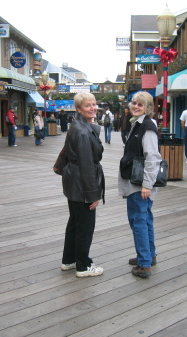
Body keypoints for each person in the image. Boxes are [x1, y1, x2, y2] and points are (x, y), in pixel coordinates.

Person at [60, 92, 105, 278]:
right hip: (82, 183)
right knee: (85, 226)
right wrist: (93, 194)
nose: (93, 108)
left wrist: (59, 167)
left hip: (73, 181)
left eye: (94, 104)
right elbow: (87, 164)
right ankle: (83, 266)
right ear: (79, 109)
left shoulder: (77, 126)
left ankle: (69, 260)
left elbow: (65, 150)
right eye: (88, 105)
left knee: (75, 223)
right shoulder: (83, 131)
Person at [118, 91, 162, 279]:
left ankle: (144, 263)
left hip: (140, 184)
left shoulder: (147, 126)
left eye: (140, 104)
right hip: (139, 182)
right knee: (145, 220)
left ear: (148, 108)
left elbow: (152, 157)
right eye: (134, 103)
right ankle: (148, 255)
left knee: (138, 221)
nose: (135, 106)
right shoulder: (138, 124)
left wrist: (147, 185)